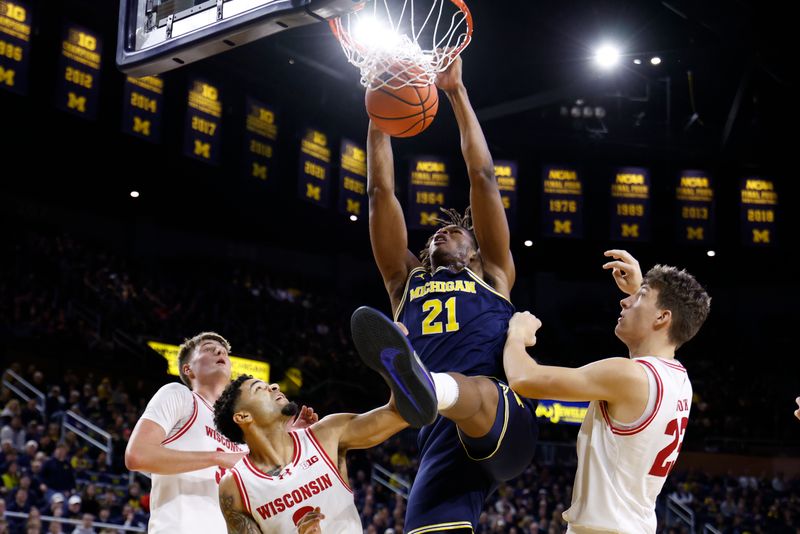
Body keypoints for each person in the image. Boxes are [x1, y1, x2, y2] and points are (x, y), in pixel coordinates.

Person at [363, 54, 538, 532]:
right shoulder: (405, 283)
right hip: (439, 433)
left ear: (477, 249)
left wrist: (455, 92)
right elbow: (381, 194)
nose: (442, 233)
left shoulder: (495, 273)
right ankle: (423, 386)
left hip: (502, 415)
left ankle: (421, 381)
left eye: (455, 232)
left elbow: (482, 176)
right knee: (423, 527)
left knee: (473, 389)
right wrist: (379, 121)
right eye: (436, 234)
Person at [502, 250, 711, 533]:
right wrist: (644, 289)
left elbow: (524, 378)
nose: (624, 300)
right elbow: (663, 328)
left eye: (638, 298)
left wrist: (517, 333)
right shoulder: (680, 380)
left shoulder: (628, 375)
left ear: (662, 317)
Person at [125, 332, 317, 533]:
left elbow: (275, 490)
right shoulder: (180, 396)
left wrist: (294, 441)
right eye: (208, 348)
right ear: (188, 369)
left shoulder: (242, 433)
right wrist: (219, 457)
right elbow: (138, 456)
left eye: (224, 352)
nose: (219, 351)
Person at [213, 370, 409, 533]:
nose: (274, 386)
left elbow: (401, 413)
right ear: (243, 416)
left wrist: (394, 358)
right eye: (259, 389)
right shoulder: (235, 486)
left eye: (269, 384)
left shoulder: (326, 434)